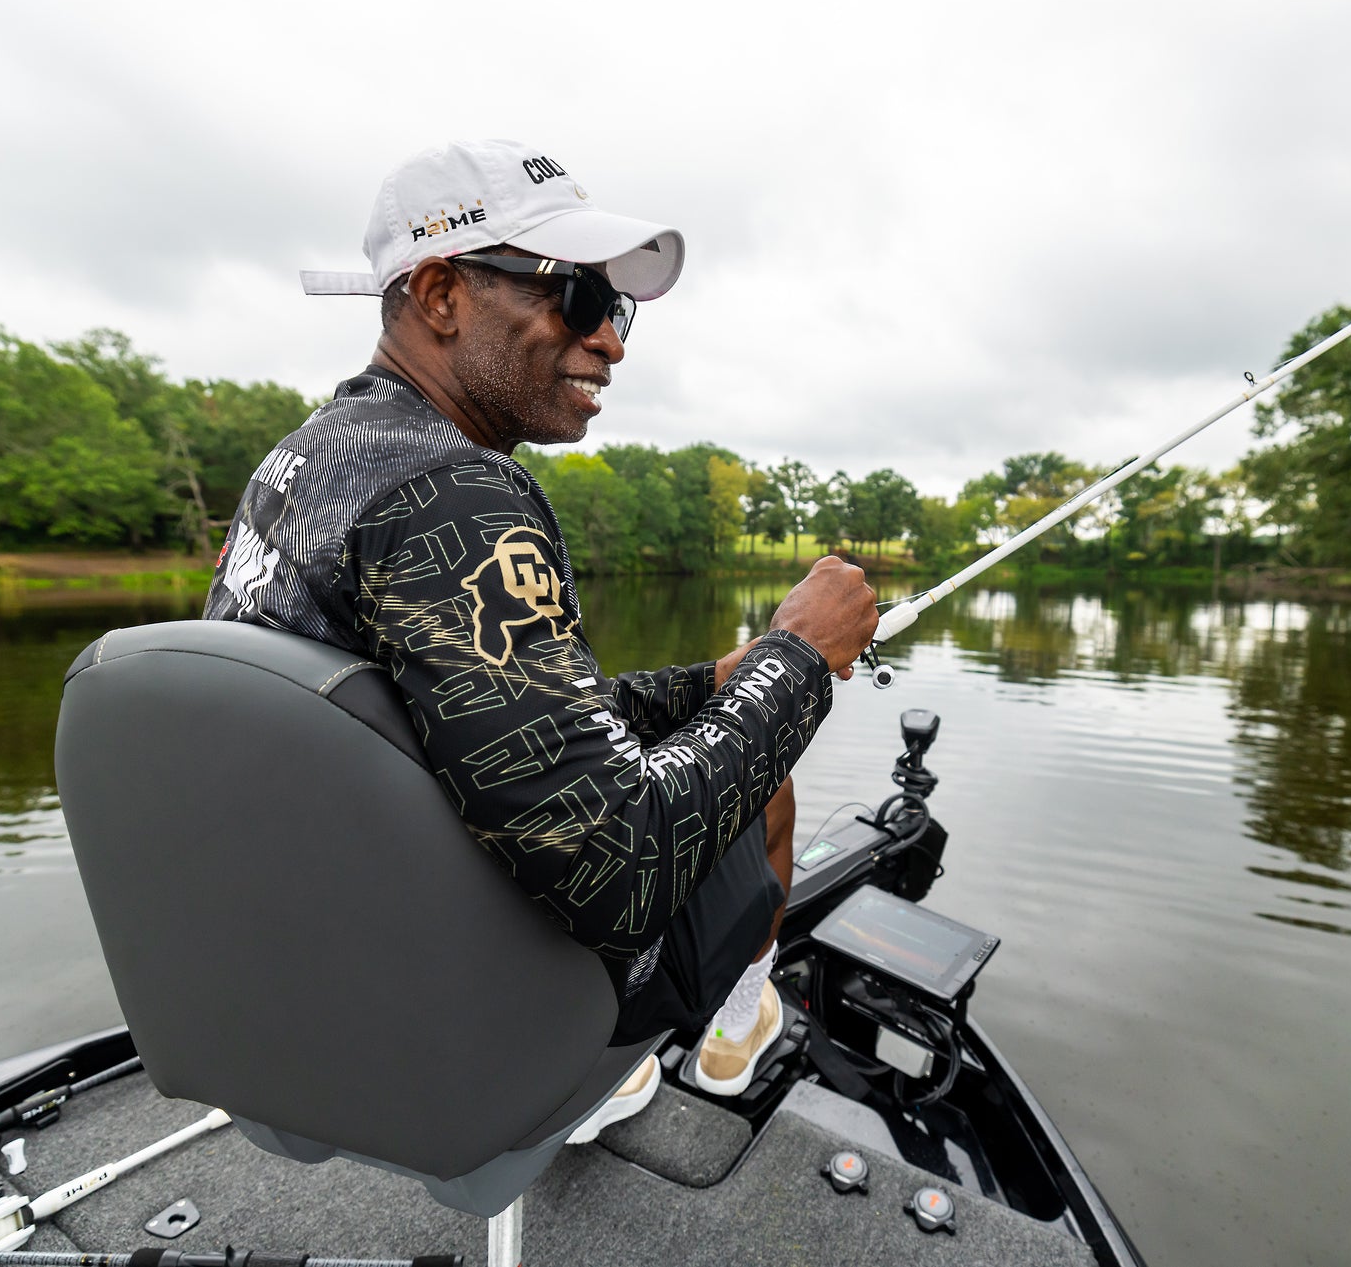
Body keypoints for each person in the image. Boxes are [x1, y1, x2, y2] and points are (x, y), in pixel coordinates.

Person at [202, 141, 878, 1141]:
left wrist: (712, 680)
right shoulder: (457, 494)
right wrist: (799, 660)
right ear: (440, 294)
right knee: (763, 773)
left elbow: (475, 728)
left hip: (322, 974)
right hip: (461, 1019)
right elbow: (624, 872)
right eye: (578, 298)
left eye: (620, 308)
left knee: (728, 716)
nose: (611, 340)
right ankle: (704, 1025)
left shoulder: (308, 460)